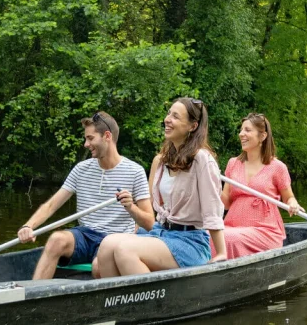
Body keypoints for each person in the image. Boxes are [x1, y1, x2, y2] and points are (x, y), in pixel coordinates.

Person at [93, 98, 226, 276]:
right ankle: (120, 301)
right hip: (162, 232)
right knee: (107, 246)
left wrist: (222, 252)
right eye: (169, 113)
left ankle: (149, 302)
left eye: (176, 116)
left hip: (190, 241)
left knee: (126, 250)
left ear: (192, 126)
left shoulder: (202, 159)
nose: (167, 119)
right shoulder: (164, 160)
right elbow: (157, 211)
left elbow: (213, 208)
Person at [16, 112, 154, 280]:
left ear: (107, 136)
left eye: (90, 138)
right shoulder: (81, 169)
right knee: (56, 239)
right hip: (85, 235)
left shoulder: (135, 171)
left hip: (115, 239)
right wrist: (28, 226)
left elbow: (149, 223)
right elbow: (51, 205)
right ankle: (33, 298)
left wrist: (131, 207)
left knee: (98, 267)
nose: (86, 144)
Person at [220, 113, 303, 259]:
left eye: (247, 130)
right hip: (233, 225)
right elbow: (225, 202)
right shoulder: (233, 163)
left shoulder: (277, 167)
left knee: (227, 237)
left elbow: (289, 197)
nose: (241, 134)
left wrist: (293, 203)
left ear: (263, 136)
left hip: (264, 230)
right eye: (241, 130)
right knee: (206, 234)